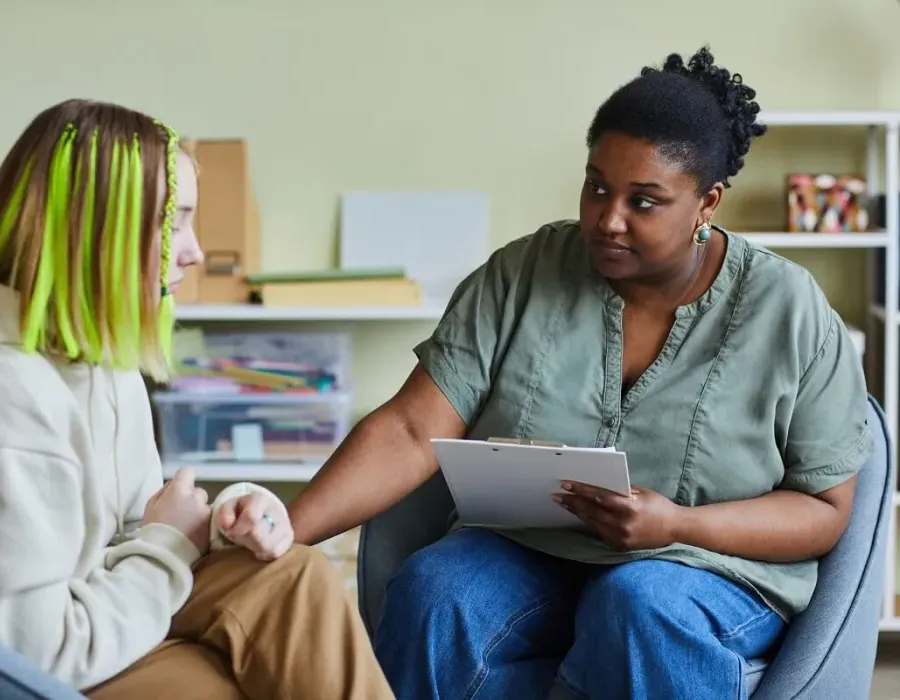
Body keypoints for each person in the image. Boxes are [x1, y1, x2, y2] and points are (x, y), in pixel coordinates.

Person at [287, 46, 872, 700]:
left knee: (639, 603)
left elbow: (825, 510)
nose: (608, 220)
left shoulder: (788, 309)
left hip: (705, 567)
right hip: (527, 551)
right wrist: (283, 535)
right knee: (438, 591)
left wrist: (678, 525)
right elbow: (410, 427)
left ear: (707, 202)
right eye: (597, 186)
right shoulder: (521, 273)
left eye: (644, 202)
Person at [0, 100, 394, 700]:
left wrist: (227, 520)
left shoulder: (104, 365)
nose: (195, 252)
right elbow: (40, 654)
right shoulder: (15, 394)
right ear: (103, 228)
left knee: (298, 575)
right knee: (219, 685)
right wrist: (166, 543)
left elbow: (136, 524)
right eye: (175, 222)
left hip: (107, 612)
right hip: (58, 658)